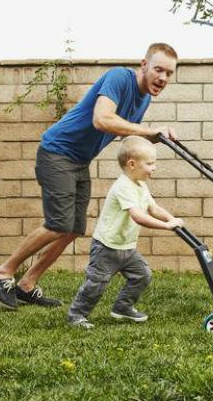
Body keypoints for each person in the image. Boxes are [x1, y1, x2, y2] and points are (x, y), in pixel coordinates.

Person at [0, 43, 178, 310]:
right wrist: (148, 130)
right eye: (159, 69)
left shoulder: (143, 98)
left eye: (169, 73)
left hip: (79, 160)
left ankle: (27, 285)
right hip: (57, 152)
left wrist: (153, 139)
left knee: (73, 229)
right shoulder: (119, 78)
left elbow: (124, 133)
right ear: (144, 65)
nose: (163, 78)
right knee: (58, 224)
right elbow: (102, 119)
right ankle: (3, 272)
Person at [67, 136, 184, 329]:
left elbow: (153, 208)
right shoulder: (123, 187)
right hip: (106, 246)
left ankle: (122, 307)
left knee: (142, 275)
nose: (154, 168)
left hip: (127, 247)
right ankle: (76, 315)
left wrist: (172, 219)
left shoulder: (140, 185)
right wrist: (165, 226)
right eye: (150, 163)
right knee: (96, 283)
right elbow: (138, 216)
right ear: (132, 164)